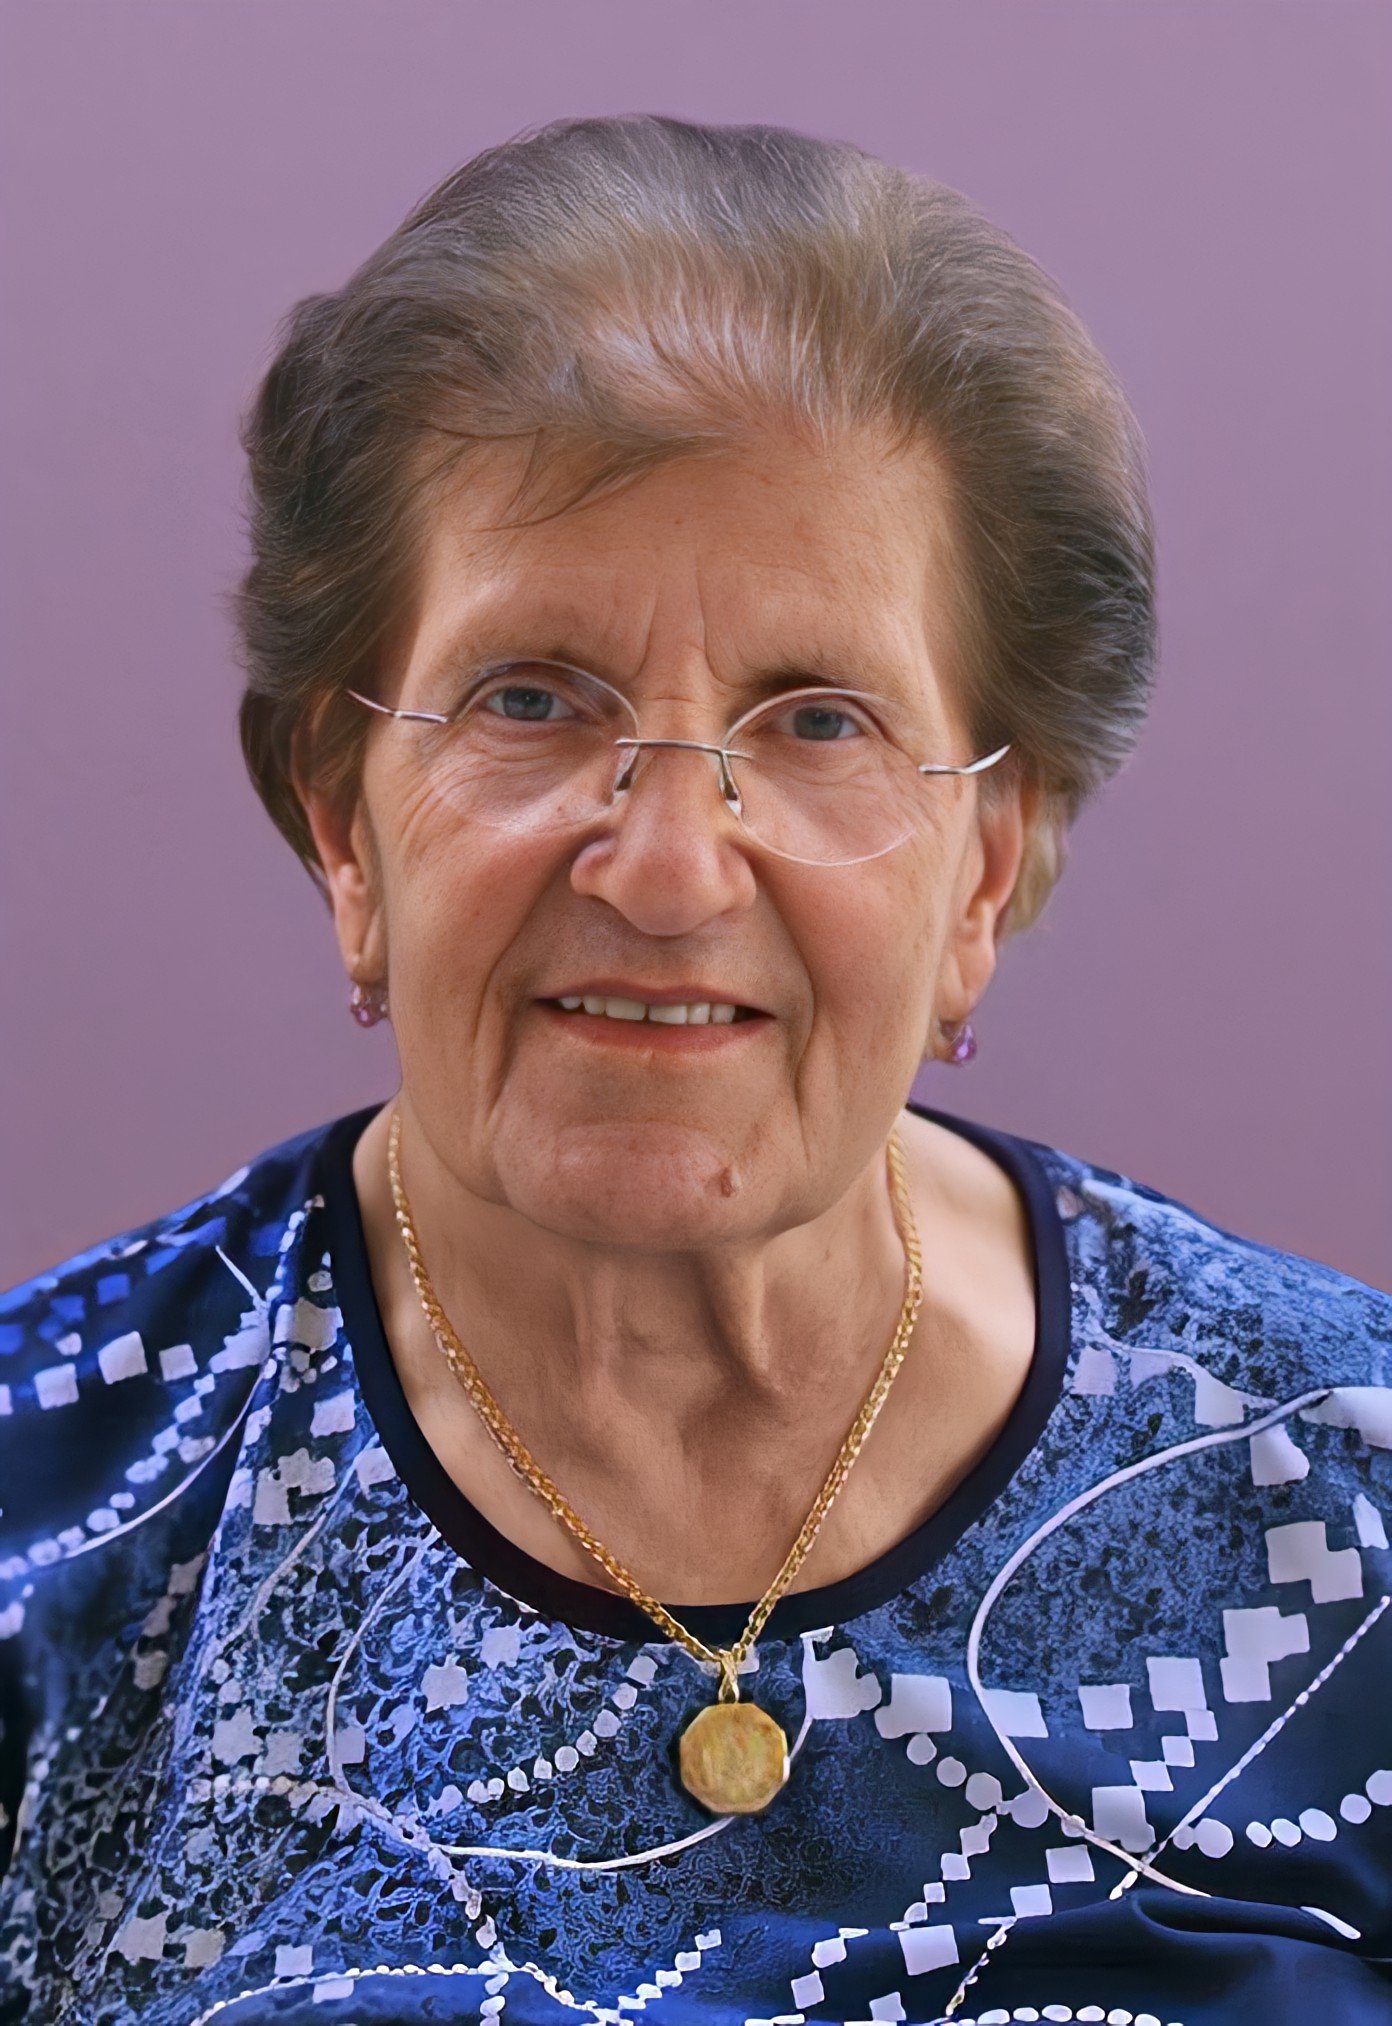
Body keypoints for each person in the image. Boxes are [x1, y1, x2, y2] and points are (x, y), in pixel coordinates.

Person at [0, 115, 1387, 2026]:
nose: (665, 871)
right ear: (342, 819)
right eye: (530, 698)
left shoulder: (1348, 1491)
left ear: (986, 868)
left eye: (816, 721)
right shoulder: (52, 1526)